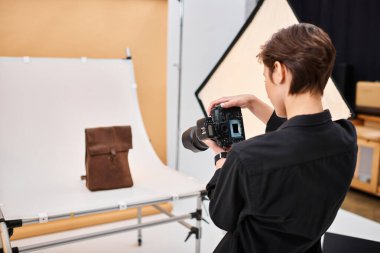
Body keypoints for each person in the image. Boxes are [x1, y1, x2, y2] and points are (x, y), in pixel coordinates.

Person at [204, 23, 358, 253]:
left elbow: (222, 217)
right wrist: (255, 104)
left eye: (265, 78)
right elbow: (301, 138)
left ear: (279, 71)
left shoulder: (246, 156)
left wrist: (221, 161)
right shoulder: (346, 138)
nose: (266, 86)